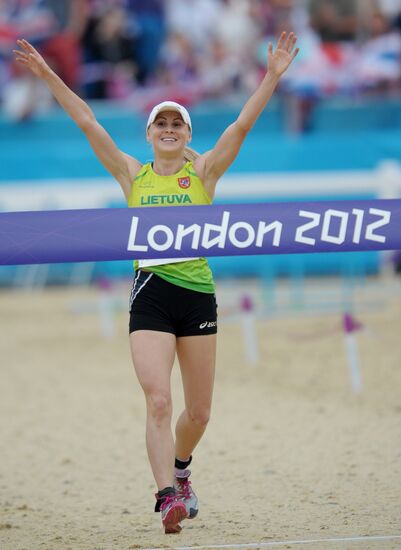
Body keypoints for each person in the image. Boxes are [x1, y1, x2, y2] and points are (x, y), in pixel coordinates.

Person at [13, 31, 299, 534]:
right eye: (160, 123)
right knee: (159, 400)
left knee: (201, 412)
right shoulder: (132, 175)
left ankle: (182, 470)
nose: (169, 129)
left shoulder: (205, 173)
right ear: (149, 134)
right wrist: (47, 74)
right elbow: (87, 120)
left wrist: (272, 76)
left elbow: (242, 125)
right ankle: (166, 493)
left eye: (177, 124)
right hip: (151, 292)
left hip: (197, 294)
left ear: (187, 135)